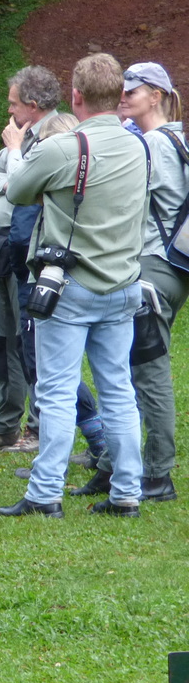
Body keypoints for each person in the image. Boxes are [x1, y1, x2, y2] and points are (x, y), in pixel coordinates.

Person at [0, 52, 148, 518]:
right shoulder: (139, 146)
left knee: (57, 391)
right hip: (124, 284)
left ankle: (45, 495)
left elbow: (18, 191)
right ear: (119, 97)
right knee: (119, 389)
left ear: (76, 96)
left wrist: (19, 152)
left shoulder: (65, 148)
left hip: (70, 286)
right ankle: (126, 493)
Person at [0, 66, 61, 453]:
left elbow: (29, 192)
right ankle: (5, 424)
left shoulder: (55, 137)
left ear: (32, 105)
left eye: (12, 103)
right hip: (1, 247)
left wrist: (14, 169)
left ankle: (37, 429)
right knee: (0, 338)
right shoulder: (20, 138)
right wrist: (9, 181)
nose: (8, 111)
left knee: (32, 341)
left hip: (31, 254)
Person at [115, 61, 185, 503]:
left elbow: (126, 197)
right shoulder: (176, 137)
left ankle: (158, 475)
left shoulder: (155, 143)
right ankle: (113, 465)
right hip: (173, 266)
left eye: (132, 91)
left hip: (154, 268)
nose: (123, 96)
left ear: (155, 95)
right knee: (121, 363)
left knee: (147, 370)